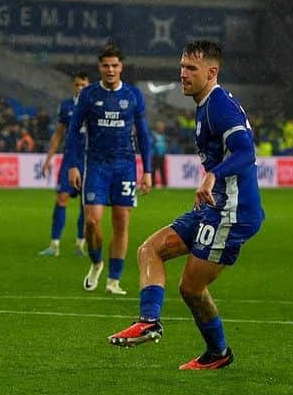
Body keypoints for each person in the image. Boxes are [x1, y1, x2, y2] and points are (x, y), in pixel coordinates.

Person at [107, 41, 264, 370]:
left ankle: (218, 353)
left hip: (233, 212)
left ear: (212, 72)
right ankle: (149, 321)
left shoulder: (220, 106)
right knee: (150, 249)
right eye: (182, 66)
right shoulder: (205, 104)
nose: (183, 73)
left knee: (191, 287)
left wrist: (212, 176)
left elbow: (246, 152)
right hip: (214, 206)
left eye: (191, 68)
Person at [64, 44, 152, 295]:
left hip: (125, 166)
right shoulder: (89, 95)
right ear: (99, 68)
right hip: (96, 167)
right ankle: (96, 262)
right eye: (106, 66)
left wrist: (146, 170)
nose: (110, 70)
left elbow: (144, 135)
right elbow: (72, 132)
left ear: (121, 67)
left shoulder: (134, 95)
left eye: (115, 65)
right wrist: (72, 165)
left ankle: (114, 280)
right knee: (91, 221)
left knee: (121, 223)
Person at [38, 71, 90, 258]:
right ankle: (54, 245)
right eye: (77, 85)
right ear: (73, 86)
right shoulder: (66, 106)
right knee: (61, 198)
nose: (80, 88)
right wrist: (48, 159)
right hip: (69, 159)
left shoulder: (95, 105)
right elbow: (59, 134)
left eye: (84, 85)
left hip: (89, 160)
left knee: (87, 205)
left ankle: (80, 245)